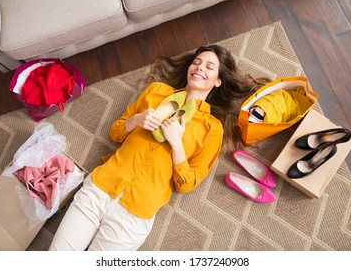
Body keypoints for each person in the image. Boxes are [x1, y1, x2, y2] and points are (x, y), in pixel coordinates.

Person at [49, 45, 269, 251]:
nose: (199, 67)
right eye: (197, 62)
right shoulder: (156, 92)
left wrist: (176, 144)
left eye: (209, 67)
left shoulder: (212, 129)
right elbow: (116, 132)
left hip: (134, 216)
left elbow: (188, 183)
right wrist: (136, 120)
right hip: (100, 188)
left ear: (218, 81)